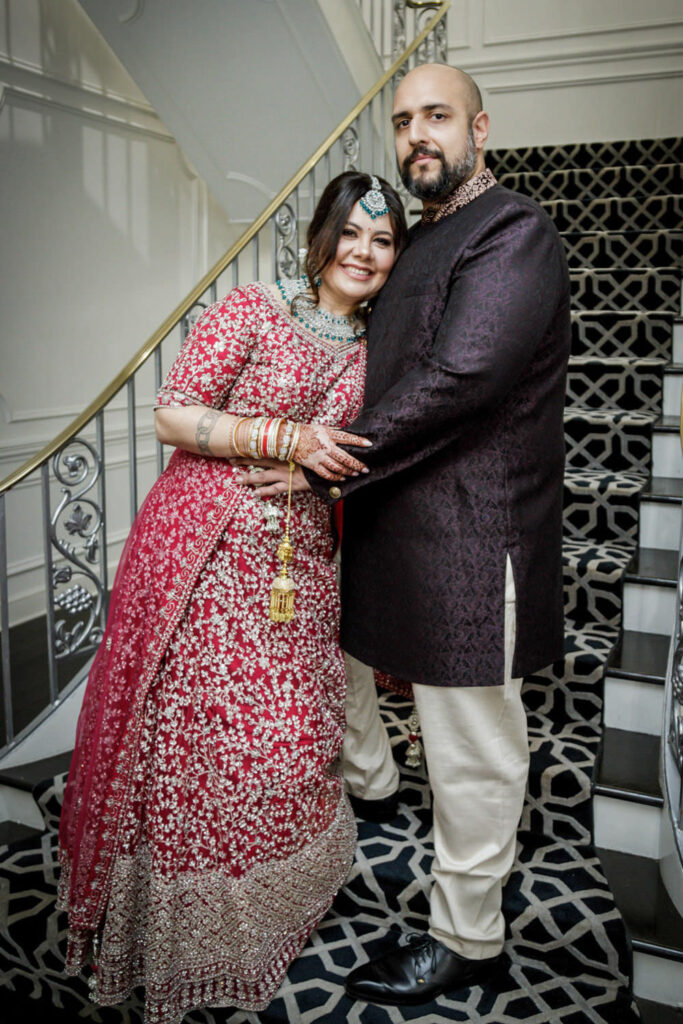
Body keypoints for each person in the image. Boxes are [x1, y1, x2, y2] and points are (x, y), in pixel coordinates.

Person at [243, 63, 571, 1006]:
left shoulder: (512, 230)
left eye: (437, 116)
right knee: (352, 681)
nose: (417, 134)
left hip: (472, 537)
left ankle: (469, 938)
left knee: (469, 747)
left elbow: (462, 377)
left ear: (480, 128)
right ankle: (380, 797)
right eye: (401, 121)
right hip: (394, 524)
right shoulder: (418, 240)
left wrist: (324, 463)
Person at [57, 170, 408, 1023]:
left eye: (383, 240)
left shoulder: (379, 348)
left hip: (299, 570)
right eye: (351, 233)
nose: (364, 252)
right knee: (198, 741)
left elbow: (375, 453)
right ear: (322, 236)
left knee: (288, 735)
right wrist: (284, 437)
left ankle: (269, 905)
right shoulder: (254, 308)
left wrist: (316, 473)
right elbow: (172, 414)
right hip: (200, 557)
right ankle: (179, 934)